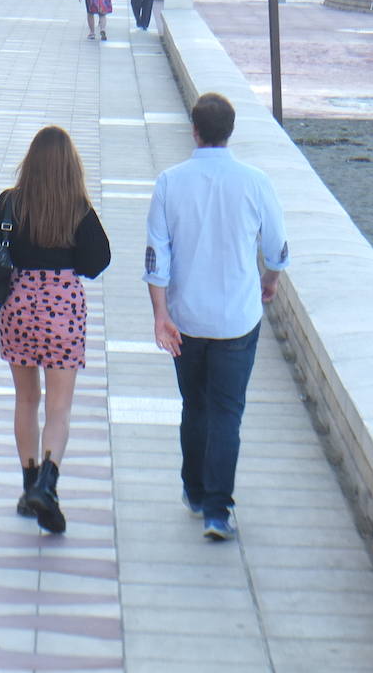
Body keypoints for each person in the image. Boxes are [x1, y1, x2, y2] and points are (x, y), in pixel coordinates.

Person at [144, 92, 289, 542]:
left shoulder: (170, 182)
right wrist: (270, 280)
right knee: (227, 412)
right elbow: (276, 248)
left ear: (195, 130)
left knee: (195, 405)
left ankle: (193, 487)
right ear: (230, 132)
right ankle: (218, 509)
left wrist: (160, 314)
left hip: (186, 317)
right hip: (236, 319)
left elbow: (156, 255)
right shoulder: (256, 182)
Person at [0, 126, 110, 533]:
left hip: (18, 306)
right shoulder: (77, 208)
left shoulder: (10, 203)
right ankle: (48, 483)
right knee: (59, 407)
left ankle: (28, 485)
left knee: (26, 400)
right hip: (62, 309)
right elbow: (97, 262)